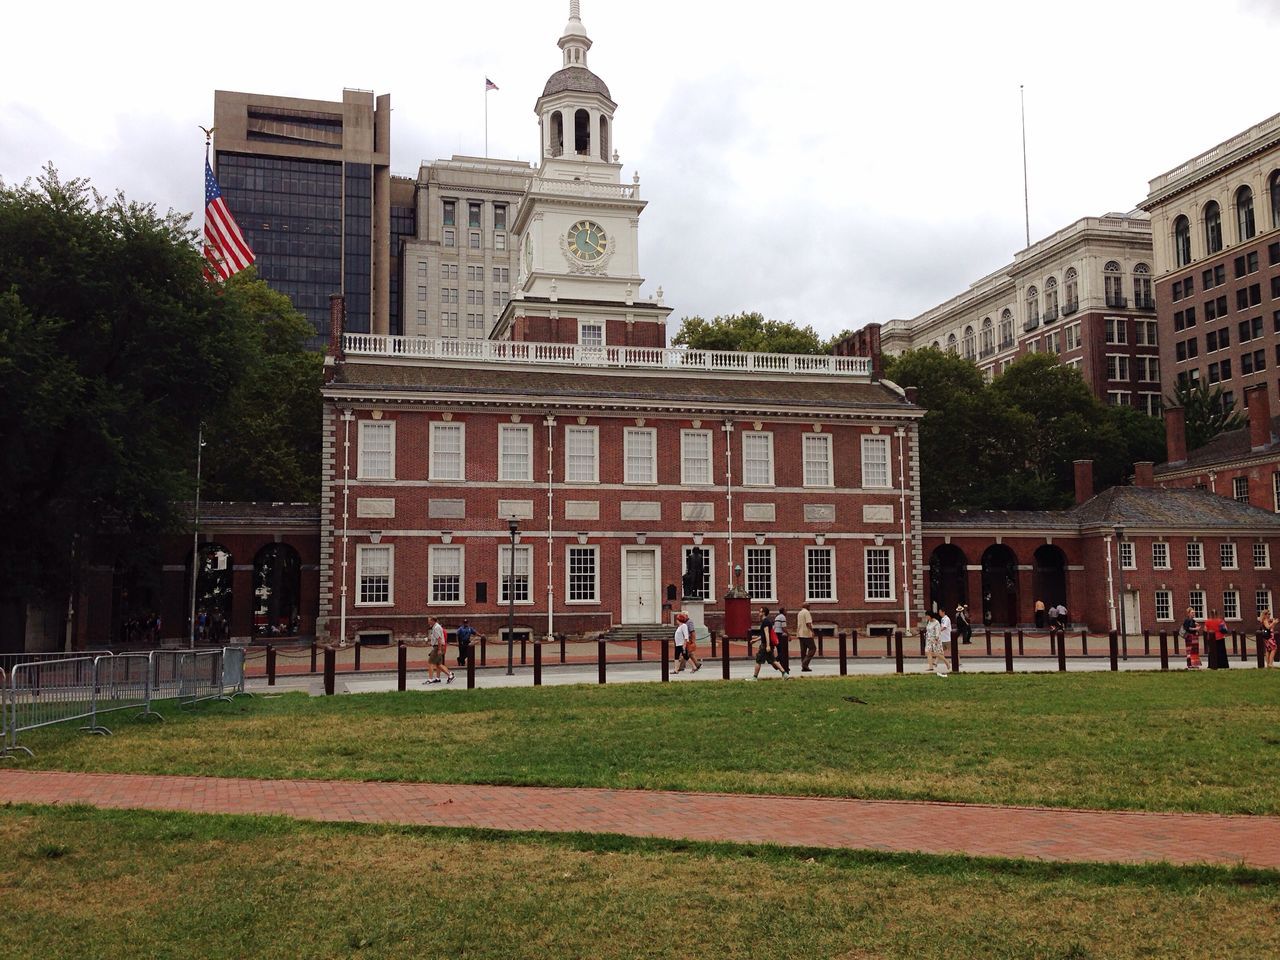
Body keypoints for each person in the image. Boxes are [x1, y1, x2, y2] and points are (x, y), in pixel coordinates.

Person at [752, 606, 789, 680]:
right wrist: (756, 639)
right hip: (767, 644)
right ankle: (785, 674)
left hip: (765, 645)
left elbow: (767, 634)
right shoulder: (766, 621)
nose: (759, 613)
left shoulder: (765, 622)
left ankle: (754, 677)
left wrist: (768, 645)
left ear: (764, 613)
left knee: (758, 660)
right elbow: (764, 635)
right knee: (773, 660)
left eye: (760, 611)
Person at [425, 616, 455, 684]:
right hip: (437, 646)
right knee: (438, 664)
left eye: (429, 620)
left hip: (437, 647)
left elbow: (439, 639)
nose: (428, 622)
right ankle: (450, 675)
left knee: (430, 662)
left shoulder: (437, 627)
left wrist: (439, 649)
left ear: (433, 621)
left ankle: (430, 679)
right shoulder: (435, 627)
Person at [923, 611, 945, 675]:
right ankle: (930, 667)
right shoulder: (929, 622)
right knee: (928, 652)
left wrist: (936, 639)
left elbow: (938, 631)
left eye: (927, 615)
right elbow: (928, 630)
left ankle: (947, 662)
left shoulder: (936, 622)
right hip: (928, 640)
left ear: (930, 615)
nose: (926, 617)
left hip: (935, 640)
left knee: (937, 653)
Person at [796, 602, 816, 672]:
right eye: (809, 606)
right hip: (806, 633)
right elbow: (808, 623)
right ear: (807, 607)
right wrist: (812, 631)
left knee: (803, 651)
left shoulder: (800, 613)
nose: (810, 608)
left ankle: (804, 667)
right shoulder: (807, 612)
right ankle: (805, 663)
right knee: (813, 648)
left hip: (800, 633)